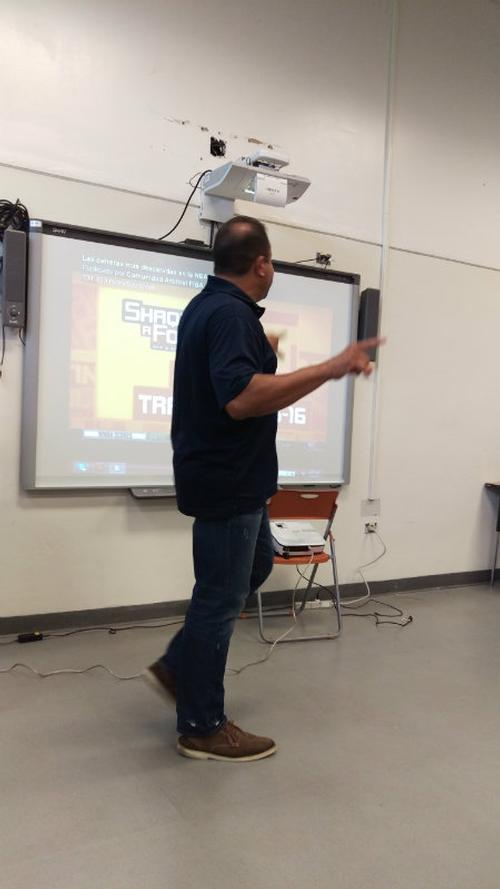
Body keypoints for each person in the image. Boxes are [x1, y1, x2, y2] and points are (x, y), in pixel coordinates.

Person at [145, 215, 381, 762]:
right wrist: (333, 367)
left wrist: (262, 352)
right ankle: (201, 725)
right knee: (220, 596)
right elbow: (242, 399)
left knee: (247, 572)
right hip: (228, 482)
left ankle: (180, 666)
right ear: (261, 263)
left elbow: (228, 381)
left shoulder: (210, 307)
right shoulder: (229, 315)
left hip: (233, 479)